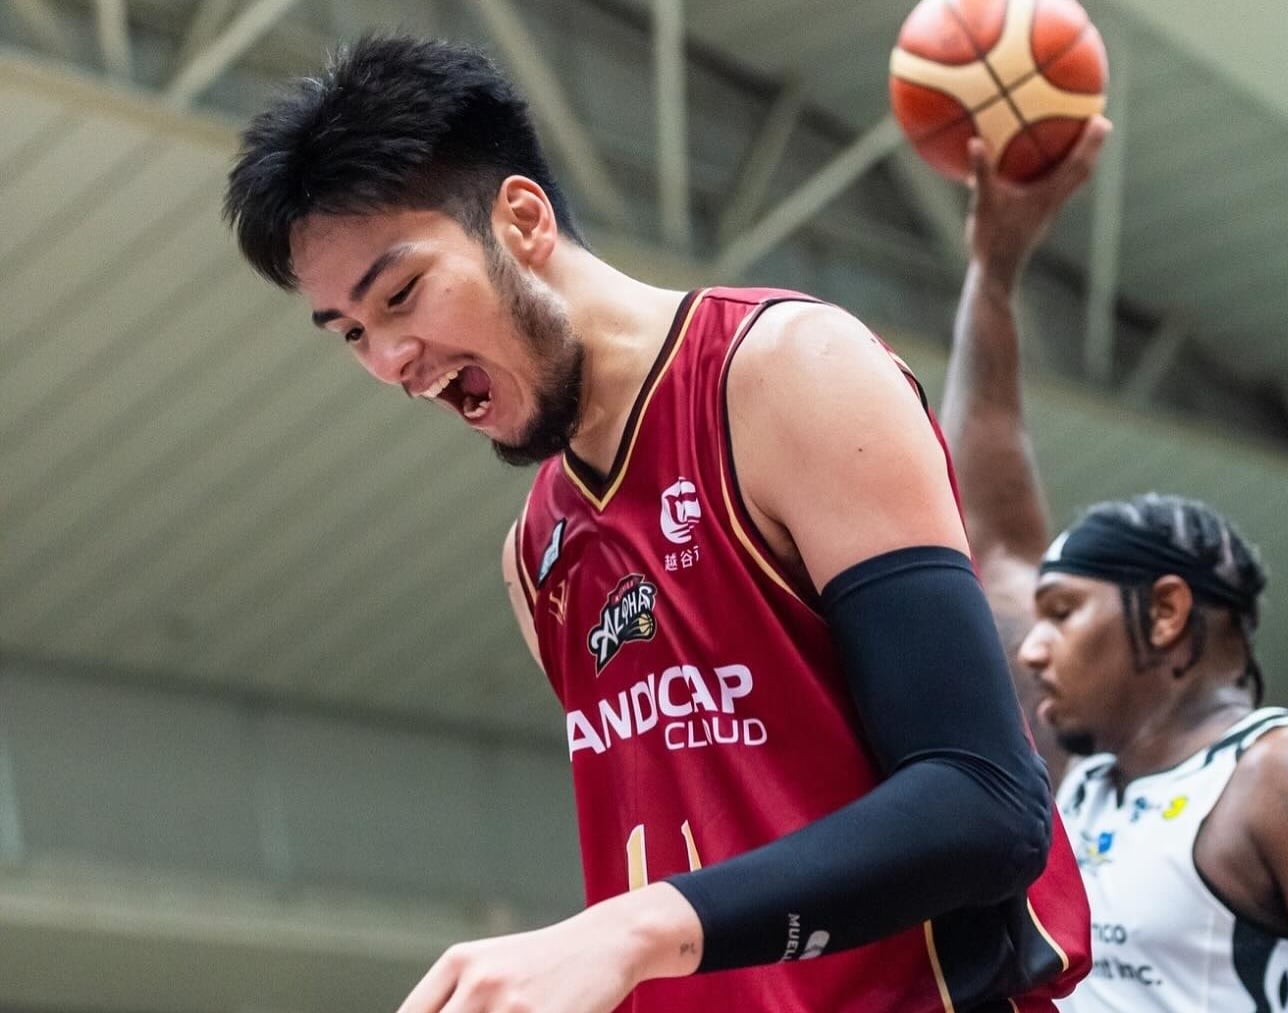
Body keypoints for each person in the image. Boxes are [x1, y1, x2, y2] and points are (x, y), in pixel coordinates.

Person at [223, 34, 1093, 1013]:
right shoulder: (535, 555)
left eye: (399, 294)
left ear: (520, 219)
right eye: (350, 334)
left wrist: (637, 929)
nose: (387, 358)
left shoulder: (788, 373)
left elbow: (987, 807)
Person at [941, 124, 1288, 1012]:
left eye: (1063, 612)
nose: (1032, 645)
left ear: (1167, 613)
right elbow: (994, 537)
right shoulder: (1079, 766)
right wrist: (995, 272)